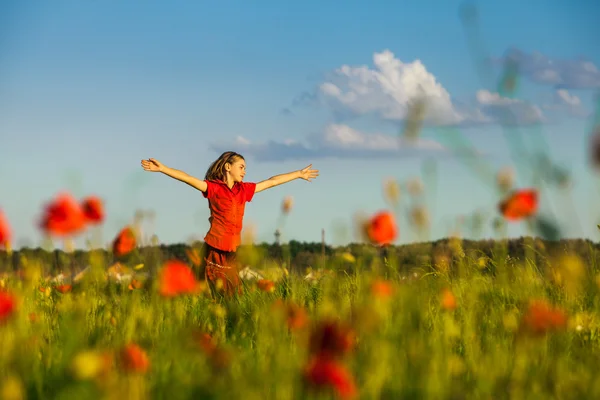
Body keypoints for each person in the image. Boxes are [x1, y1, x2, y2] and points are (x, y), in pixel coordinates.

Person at [141, 151, 319, 297]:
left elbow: (272, 181)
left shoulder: (244, 190)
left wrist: (298, 174)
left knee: (233, 294)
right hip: (215, 248)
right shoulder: (214, 188)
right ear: (228, 167)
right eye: (241, 167)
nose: (244, 171)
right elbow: (187, 178)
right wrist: (163, 168)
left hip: (233, 249)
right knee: (215, 291)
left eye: (245, 168)